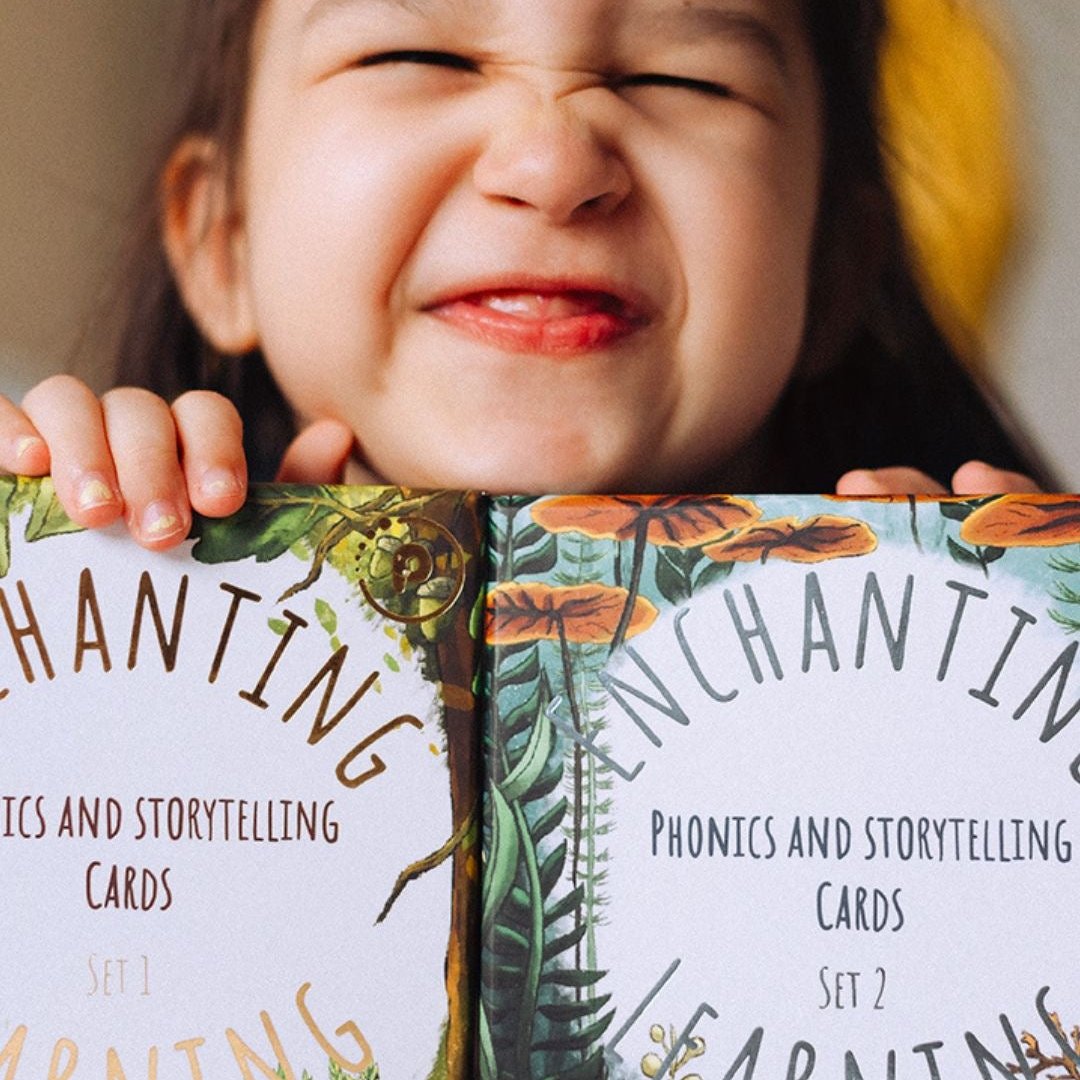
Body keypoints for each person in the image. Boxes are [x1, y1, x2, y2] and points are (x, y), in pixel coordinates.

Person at [0, 0, 1047, 551]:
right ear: (220, 237)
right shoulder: (104, 601)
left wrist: (977, 736)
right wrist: (106, 633)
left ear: (834, 271)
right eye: (422, 59)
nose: (553, 166)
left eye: (677, 77)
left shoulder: (974, 684)